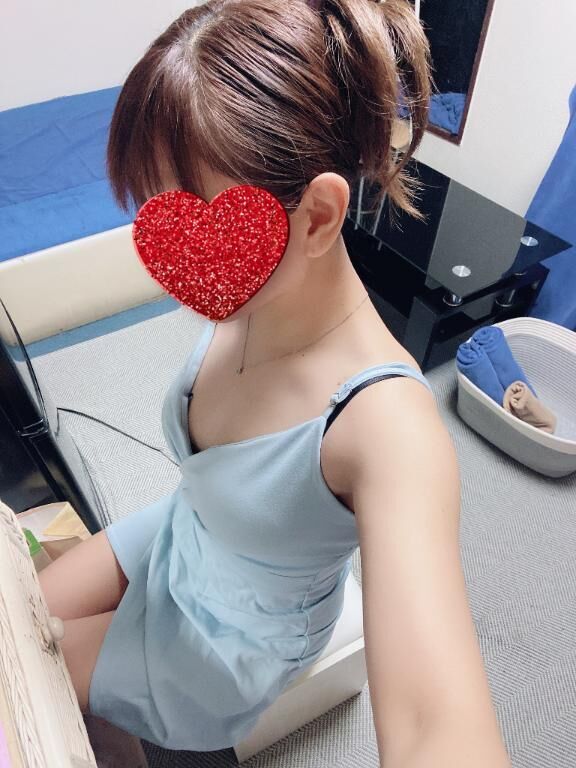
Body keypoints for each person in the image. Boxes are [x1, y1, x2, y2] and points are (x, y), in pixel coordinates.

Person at [39, 0, 512, 765]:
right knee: (22, 610)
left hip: (230, 639)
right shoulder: (251, 289)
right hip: (186, 529)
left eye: (194, 215)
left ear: (319, 217)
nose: (171, 258)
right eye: (156, 212)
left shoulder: (386, 427)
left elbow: (438, 728)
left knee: (35, 670)